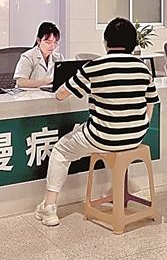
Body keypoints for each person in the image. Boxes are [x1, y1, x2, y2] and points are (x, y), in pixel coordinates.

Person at [35, 17, 159, 226]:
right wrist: (144, 123)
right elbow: (151, 101)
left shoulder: (95, 67)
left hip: (102, 137)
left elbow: (60, 95)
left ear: (105, 41)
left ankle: (49, 207)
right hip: (136, 136)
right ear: (133, 43)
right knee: (109, 141)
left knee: (61, 151)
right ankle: (123, 186)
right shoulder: (143, 68)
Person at [14, 22, 64, 88]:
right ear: (38, 40)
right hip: (30, 93)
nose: (52, 46)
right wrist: (46, 81)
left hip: (49, 93)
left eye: (55, 42)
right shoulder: (28, 57)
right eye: (48, 42)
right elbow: (20, 82)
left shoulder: (58, 57)